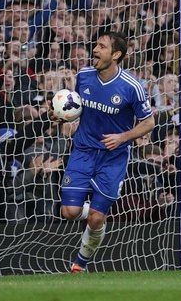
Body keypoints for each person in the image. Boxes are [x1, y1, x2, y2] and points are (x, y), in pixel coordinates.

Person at [52, 31, 155, 273]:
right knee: (69, 212)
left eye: (102, 47)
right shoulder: (84, 76)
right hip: (83, 151)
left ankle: (80, 264)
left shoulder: (132, 87)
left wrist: (122, 137)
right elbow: (77, 108)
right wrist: (60, 114)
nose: (95, 50)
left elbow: (149, 122)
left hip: (113, 157)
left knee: (96, 219)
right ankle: (97, 212)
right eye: (96, 45)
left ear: (116, 54)